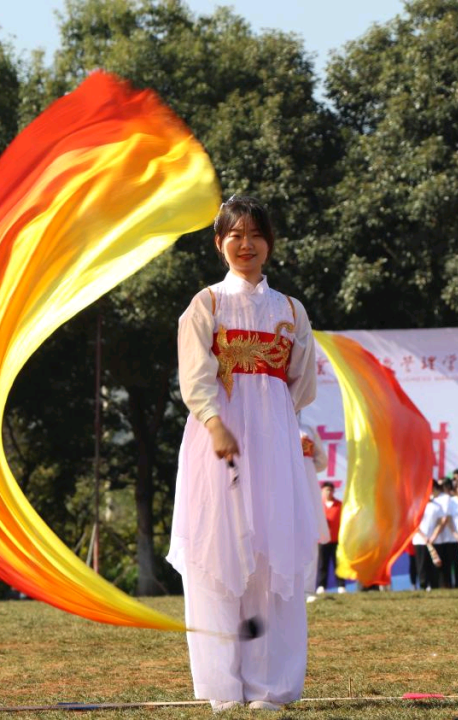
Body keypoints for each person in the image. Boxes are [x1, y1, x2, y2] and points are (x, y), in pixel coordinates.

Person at [168, 195, 317, 713]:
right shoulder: (206, 304)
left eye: (255, 235)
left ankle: (270, 688)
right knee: (219, 555)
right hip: (217, 442)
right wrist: (216, 423)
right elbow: (196, 378)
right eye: (235, 235)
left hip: (274, 445)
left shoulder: (291, 311)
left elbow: (302, 383)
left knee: (271, 558)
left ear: (269, 244)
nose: (246, 245)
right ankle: (224, 689)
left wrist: (275, 422)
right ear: (219, 243)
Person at [298, 423, 329, 602]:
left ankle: (307, 589)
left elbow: (321, 460)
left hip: (306, 482)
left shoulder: (307, 429)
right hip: (280, 481)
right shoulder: (305, 430)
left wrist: (305, 467)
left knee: (310, 532)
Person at [412, 482, 446, 590]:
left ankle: (434, 585)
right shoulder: (416, 505)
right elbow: (413, 523)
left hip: (434, 539)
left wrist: (434, 536)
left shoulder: (436, 505)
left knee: (434, 564)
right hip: (420, 540)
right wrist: (423, 537)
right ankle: (423, 585)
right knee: (422, 564)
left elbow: (441, 521)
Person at [316, 482, 347, 594]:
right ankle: (321, 586)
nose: (328, 492)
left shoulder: (340, 505)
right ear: (322, 492)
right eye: (325, 490)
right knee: (322, 564)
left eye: (330, 490)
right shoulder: (319, 505)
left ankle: (341, 586)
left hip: (337, 539)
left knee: (338, 564)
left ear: (333, 491)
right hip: (323, 540)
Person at [435, 478, 456, 588]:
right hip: (437, 537)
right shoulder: (434, 499)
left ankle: (447, 585)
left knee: (447, 563)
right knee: (439, 563)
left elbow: (445, 517)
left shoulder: (446, 498)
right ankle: (440, 585)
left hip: (447, 536)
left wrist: (438, 530)